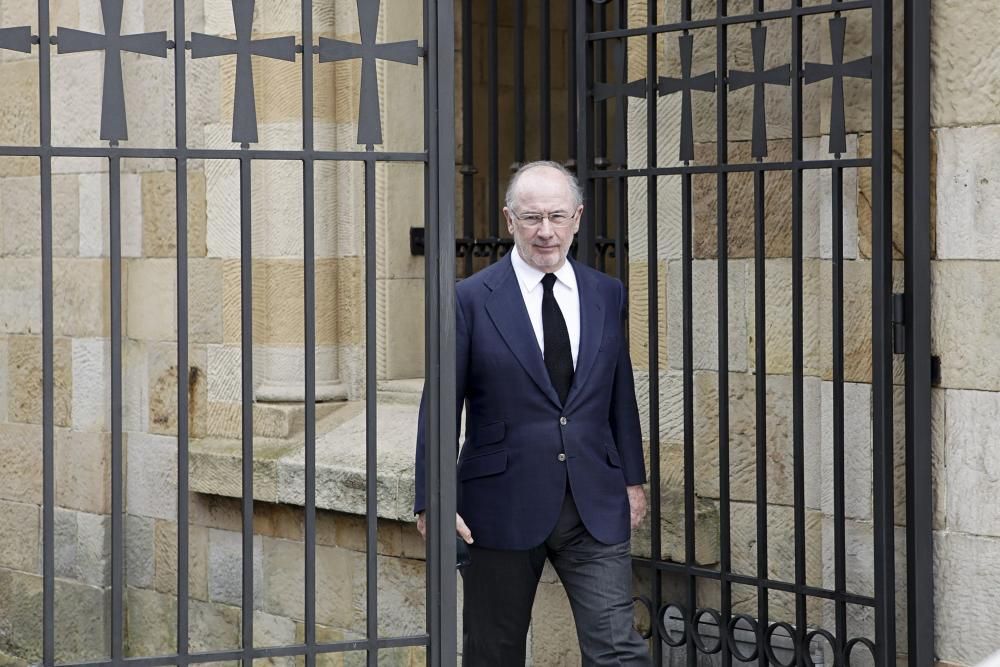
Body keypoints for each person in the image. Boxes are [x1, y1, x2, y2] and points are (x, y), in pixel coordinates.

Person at [413, 161, 650, 665]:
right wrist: (434, 498)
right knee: (493, 652)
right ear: (509, 220)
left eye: (558, 216)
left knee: (619, 650)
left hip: (593, 502)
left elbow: (618, 392)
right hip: (498, 506)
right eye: (532, 218)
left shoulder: (606, 293)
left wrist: (633, 480)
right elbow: (440, 404)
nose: (546, 231)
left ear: (578, 218)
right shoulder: (470, 299)